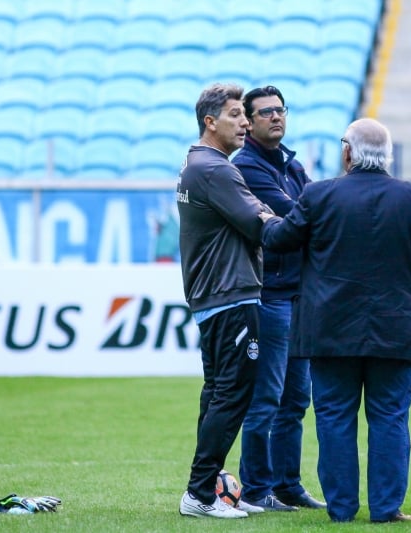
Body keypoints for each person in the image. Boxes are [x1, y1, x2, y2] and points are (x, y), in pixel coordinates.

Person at [259, 118, 411, 523]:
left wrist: (265, 217)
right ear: (388, 156)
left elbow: (279, 240)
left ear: (347, 152)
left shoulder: (318, 195)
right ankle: (385, 509)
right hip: (395, 328)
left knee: (333, 418)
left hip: (329, 329)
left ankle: (342, 510)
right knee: (389, 418)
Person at [176, 83, 271, 519]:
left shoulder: (197, 165)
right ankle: (199, 492)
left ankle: (205, 488)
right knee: (231, 394)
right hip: (230, 293)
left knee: (217, 393)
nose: (246, 122)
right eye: (236, 114)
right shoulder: (215, 169)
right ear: (210, 122)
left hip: (214, 294)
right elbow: (258, 223)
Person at [230, 85, 325, 512]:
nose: (276, 117)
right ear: (249, 121)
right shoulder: (247, 166)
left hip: (298, 295)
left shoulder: (291, 163)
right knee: (266, 398)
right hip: (269, 295)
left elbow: (309, 210)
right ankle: (255, 489)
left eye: (280, 110)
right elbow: (297, 215)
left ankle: (288, 484)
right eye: (266, 112)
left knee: (295, 400)